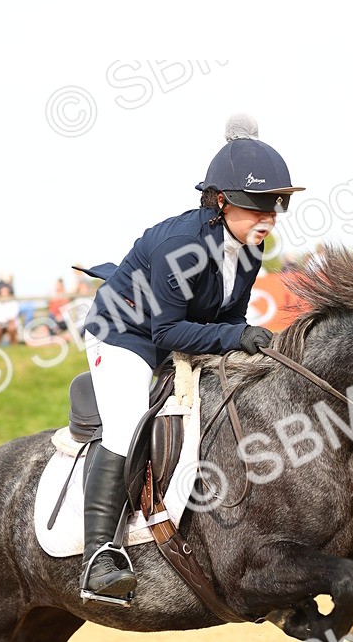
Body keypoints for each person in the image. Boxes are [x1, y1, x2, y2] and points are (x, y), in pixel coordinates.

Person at [75, 113, 305, 603]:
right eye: (256, 207)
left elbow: (228, 319)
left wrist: (246, 344)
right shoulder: (183, 245)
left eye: (274, 206)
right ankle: (100, 557)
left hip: (175, 334)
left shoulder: (249, 248)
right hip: (125, 334)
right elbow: (169, 331)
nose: (267, 218)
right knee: (127, 424)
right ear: (220, 201)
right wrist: (239, 336)